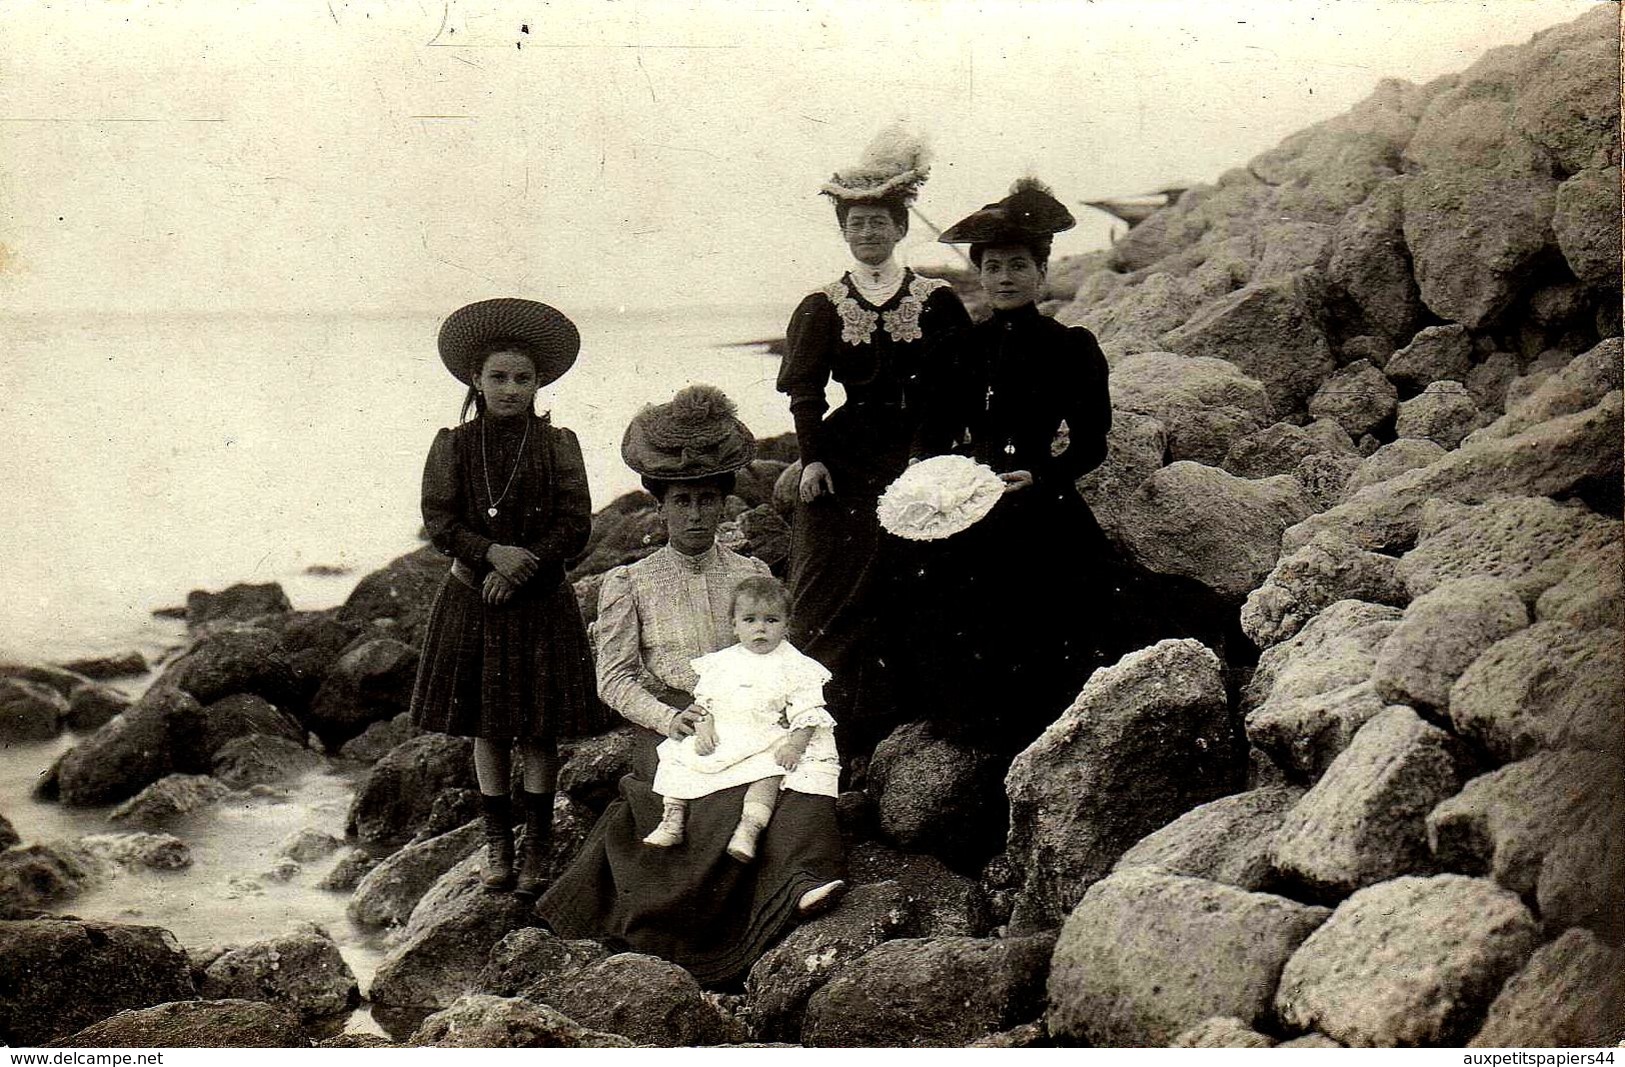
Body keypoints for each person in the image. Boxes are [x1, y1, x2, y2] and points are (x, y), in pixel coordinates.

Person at [535, 386, 846, 988]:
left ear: (726, 503)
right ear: (661, 506)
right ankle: (705, 925)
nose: (697, 514)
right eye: (683, 501)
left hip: (752, 709)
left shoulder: (752, 575)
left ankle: (801, 881)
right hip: (674, 719)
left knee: (806, 771)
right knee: (715, 796)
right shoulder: (630, 582)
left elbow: (779, 654)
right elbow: (615, 678)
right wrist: (664, 718)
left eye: (708, 499)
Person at [900, 180, 1115, 752]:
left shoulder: (1071, 347)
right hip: (971, 501)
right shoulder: (956, 350)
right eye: (992, 266)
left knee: (1063, 610)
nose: (1004, 277)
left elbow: (1093, 443)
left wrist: (1044, 477)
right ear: (979, 274)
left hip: (1042, 501)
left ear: (1041, 272)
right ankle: (974, 726)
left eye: (1018, 265)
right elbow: (930, 438)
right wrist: (943, 482)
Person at [777, 123, 972, 749]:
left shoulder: (936, 299)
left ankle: (919, 704)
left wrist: (935, 454)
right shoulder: (824, 304)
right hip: (849, 453)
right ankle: (832, 720)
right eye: (856, 224)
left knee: (923, 570)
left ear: (900, 227)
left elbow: (957, 385)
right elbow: (806, 390)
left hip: (924, 445)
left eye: (879, 222)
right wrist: (811, 460)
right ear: (843, 231)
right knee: (829, 580)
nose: (868, 233)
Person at [408, 297, 607, 900]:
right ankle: (498, 843)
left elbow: (576, 525)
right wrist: (490, 554)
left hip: (540, 599)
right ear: (476, 378)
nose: (511, 389)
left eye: (523, 378)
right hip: (475, 598)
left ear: (539, 382)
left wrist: (525, 565)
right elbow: (438, 520)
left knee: (538, 730)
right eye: (499, 377)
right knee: (488, 729)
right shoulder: (454, 445)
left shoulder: (558, 444)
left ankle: (539, 847)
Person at [643, 574, 839, 863]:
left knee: (768, 772)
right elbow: (706, 701)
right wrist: (705, 726)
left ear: (786, 626)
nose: (760, 629)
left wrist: (794, 747)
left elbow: (808, 712)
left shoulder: (795, 665)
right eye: (750, 620)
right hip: (727, 729)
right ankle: (672, 817)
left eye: (771, 621)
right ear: (735, 626)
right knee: (675, 755)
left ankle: (749, 828)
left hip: (765, 733)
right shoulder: (723, 662)